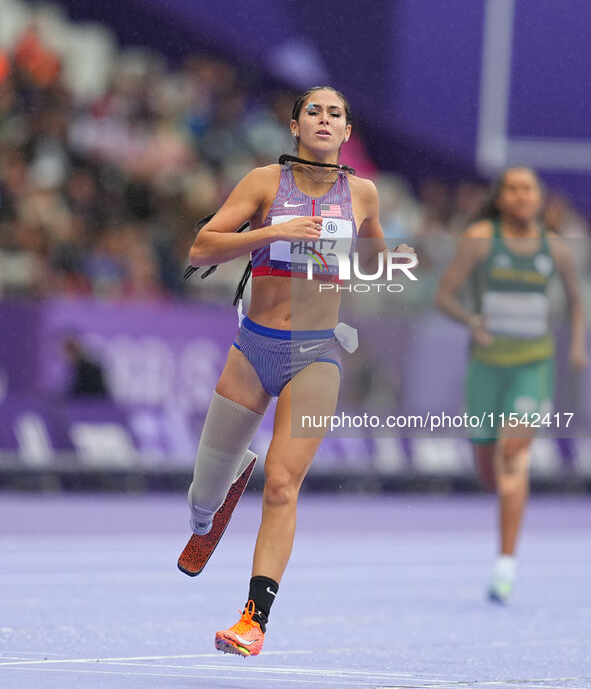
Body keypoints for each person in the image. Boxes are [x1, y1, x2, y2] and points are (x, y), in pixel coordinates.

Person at [187, 86, 415, 656]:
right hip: (252, 348)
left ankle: (253, 620)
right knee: (200, 503)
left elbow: (375, 262)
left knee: (284, 483)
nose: (323, 119)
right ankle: (218, 494)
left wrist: (386, 258)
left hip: (317, 353)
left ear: (346, 133)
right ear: (295, 127)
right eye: (313, 110)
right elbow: (199, 249)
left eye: (335, 113)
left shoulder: (363, 194)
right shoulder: (264, 183)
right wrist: (271, 233)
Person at [435, 167, 587, 603]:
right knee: (489, 470)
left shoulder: (555, 249)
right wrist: (472, 321)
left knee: (513, 454)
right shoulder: (482, 238)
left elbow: (577, 303)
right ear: (501, 199)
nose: (522, 196)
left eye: (529, 189)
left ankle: (505, 566)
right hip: (486, 367)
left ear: (540, 199)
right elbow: (444, 296)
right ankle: (496, 488)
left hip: (532, 366)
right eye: (513, 189)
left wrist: (576, 346)